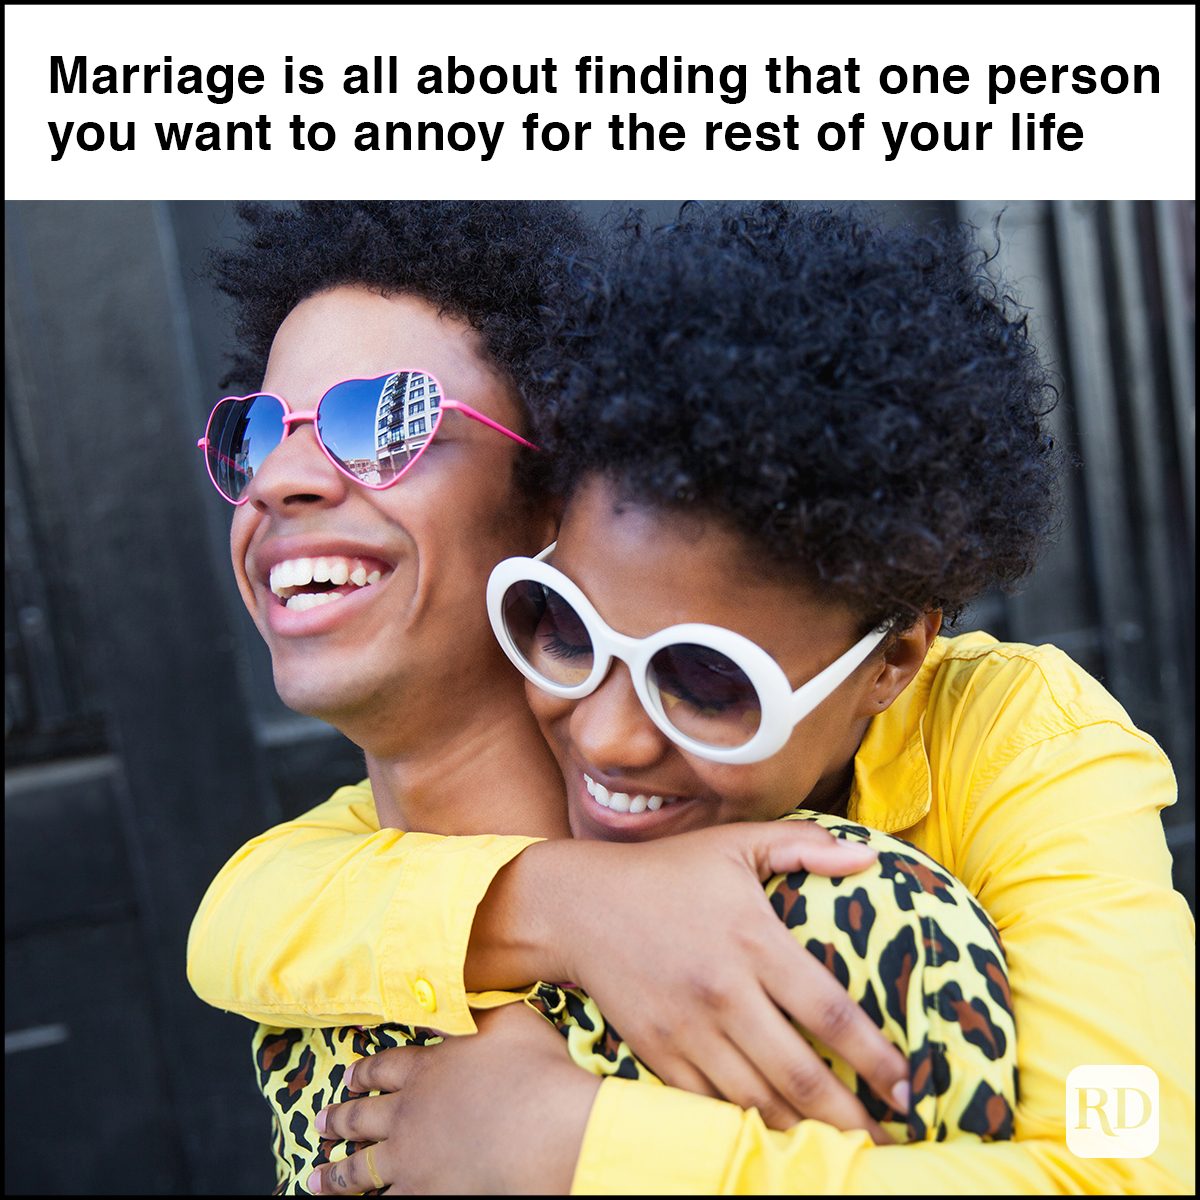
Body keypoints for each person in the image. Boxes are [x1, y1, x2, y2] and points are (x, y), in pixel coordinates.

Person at [192, 202, 1193, 1195]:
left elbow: (1128, 1157)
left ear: (891, 662)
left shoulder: (1017, 744)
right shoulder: (495, 762)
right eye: (569, 627)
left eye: (709, 679)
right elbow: (243, 919)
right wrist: (574, 905)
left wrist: (582, 1151)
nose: (611, 736)